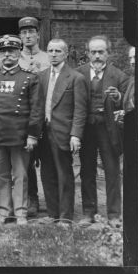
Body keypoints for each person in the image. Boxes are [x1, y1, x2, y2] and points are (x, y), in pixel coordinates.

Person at [0, 35, 44, 225]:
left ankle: (20, 213)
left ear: (19, 53)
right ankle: (4, 212)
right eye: (3, 51)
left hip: (20, 135)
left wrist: (32, 135)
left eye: (11, 51)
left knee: (20, 176)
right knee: (0, 175)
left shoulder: (30, 78)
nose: (7, 55)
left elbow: (36, 110)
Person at [76, 36, 129, 227]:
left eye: (101, 52)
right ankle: (89, 213)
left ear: (108, 53)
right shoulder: (78, 74)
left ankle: (114, 214)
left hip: (108, 129)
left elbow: (129, 103)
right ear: (87, 53)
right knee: (87, 171)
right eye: (93, 52)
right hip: (87, 128)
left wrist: (118, 97)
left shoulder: (119, 76)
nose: (97, 56)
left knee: (112, 171)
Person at [37, 39, 87, 227]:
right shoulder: (41, 76)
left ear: (65, 54)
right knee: (47, 174)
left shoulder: (75, 78)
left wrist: (76, 135)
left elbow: (80, 110)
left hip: (64, 133)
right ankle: (52, 214)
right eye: (50, 50)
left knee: (64, 175)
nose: (53, 54)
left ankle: (65, 217)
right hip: (44, 133)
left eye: (58, 51)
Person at [18, 16, 50, 218]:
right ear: (20, 36)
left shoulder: (48, 57)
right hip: (24, 117)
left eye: (31, 32)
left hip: (46, 116)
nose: (28, 35)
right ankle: (32, 199)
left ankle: (52, 199)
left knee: (48, 158)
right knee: (27, 161)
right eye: (24, 32)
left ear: (38, 35)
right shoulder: (15, 58)